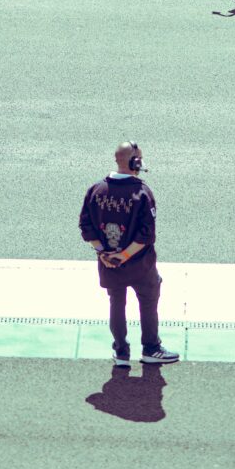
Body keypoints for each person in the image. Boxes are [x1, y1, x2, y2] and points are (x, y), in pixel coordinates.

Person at [79, 142, 179, 368]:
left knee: (116, 303)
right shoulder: (142, 193)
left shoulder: (96, 190)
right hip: (140, 265)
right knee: (148, 302)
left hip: (108, 264)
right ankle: (151, 349)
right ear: (135, 162)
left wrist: (103, 252)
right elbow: (146, 235)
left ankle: (121, 352)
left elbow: (85, 226)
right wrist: (124, 255)